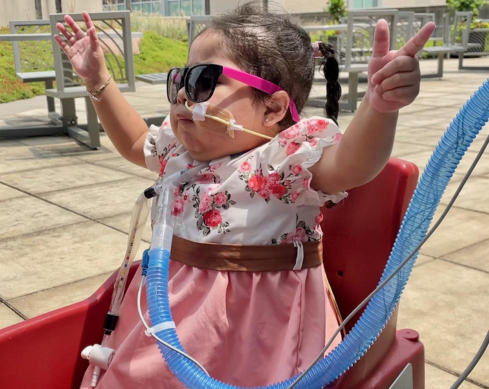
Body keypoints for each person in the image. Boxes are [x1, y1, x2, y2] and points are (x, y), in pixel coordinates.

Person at [53, 3, 435, 388]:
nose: (185, 94)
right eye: (180, 79)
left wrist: (379, 106)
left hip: (255, 329)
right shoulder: (179, 152)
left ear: (272, 109)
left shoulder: (284, 159)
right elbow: (136, 140)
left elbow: (352, 165)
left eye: (204, 81)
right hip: (168, 313)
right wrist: (98, 81)